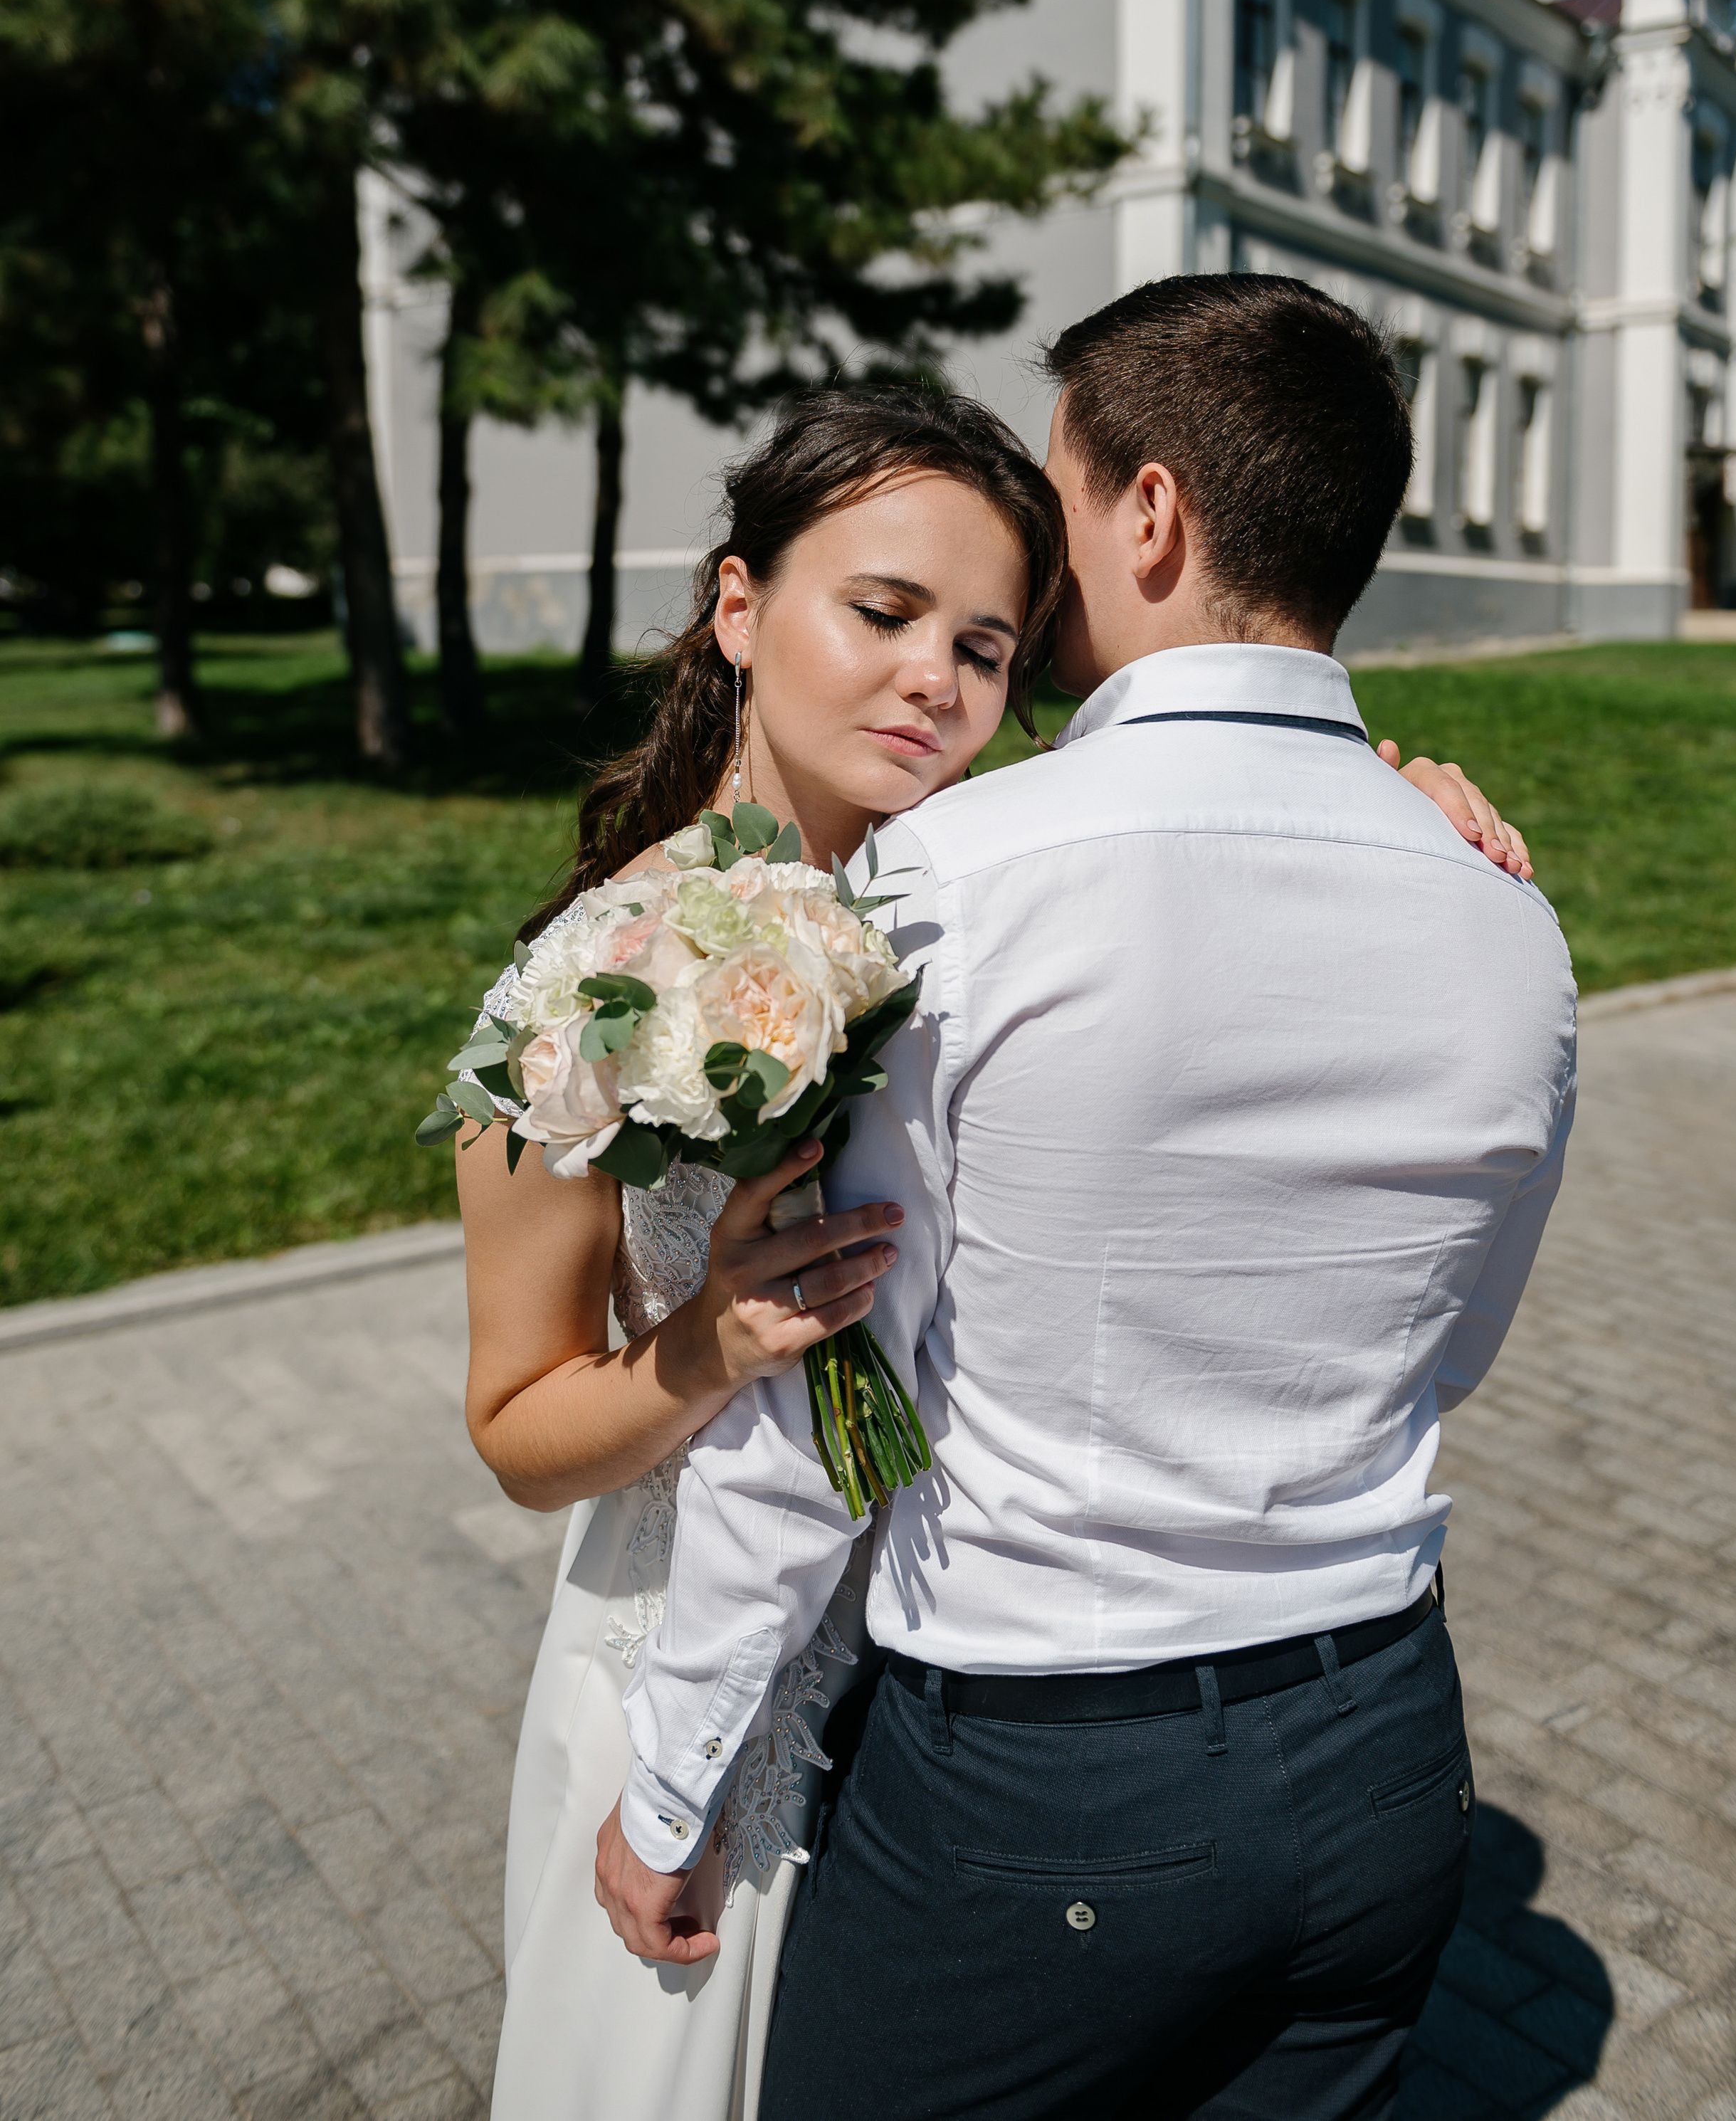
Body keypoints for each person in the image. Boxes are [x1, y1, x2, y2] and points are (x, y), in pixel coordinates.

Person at [463, 372, 1532, 2121]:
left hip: (950, 1727)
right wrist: (713, 1345)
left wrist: (1390, 800)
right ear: (738, 605)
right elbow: (514, 1429)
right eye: (880, 613)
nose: (935, 683)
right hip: (692, 1696)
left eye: (984, 643)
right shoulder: (584, 994)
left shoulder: (960, 912)